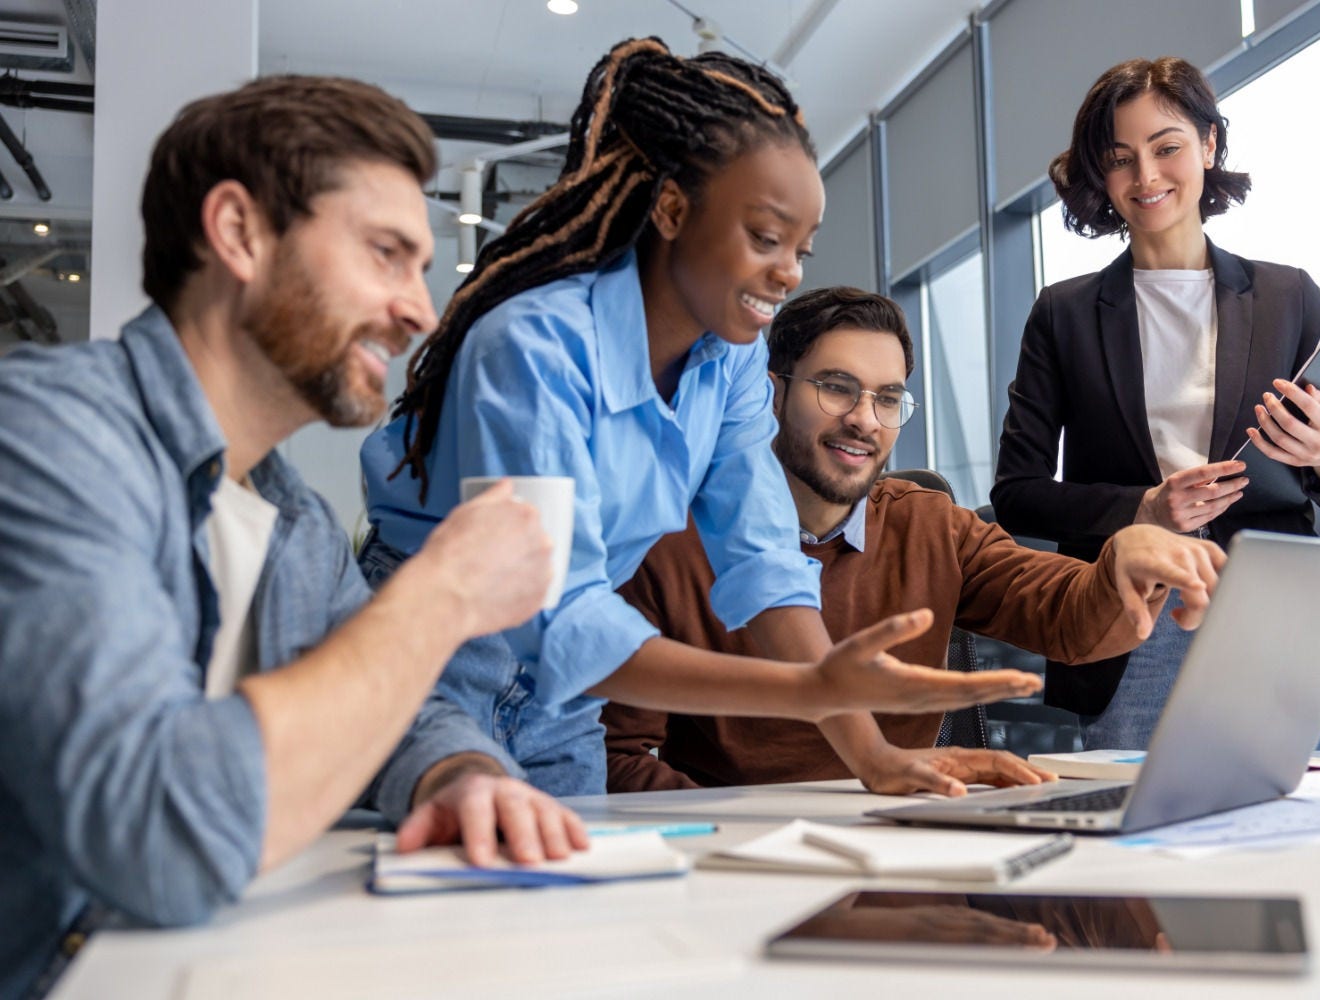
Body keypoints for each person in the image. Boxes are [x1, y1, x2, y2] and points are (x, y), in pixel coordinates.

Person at [0, 76, 602, 1000]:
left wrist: (463, 773)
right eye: (387, 255)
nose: (422, 312)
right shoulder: (50, 436)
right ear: (239, 232)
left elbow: (401, 709)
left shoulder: (295, 521)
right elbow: (160, 841)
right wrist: (439, 593)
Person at [359, 38, 1035, 800]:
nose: (790, 272)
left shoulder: (733, 360)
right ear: (674, 209)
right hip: (435, 657)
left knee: (575, 901)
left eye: (802, 248)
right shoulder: (533, 347)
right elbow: (555, 613)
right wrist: (807, 691)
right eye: (765, 237)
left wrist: (868, 752)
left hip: (565, 689)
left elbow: (764, 562)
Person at [604, 286, 1225, 792]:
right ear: (771, 391)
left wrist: (1123, 554)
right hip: (747, 871)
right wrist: (745, 838)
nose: (864, 419)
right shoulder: (669, 541)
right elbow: (617, 758)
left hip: (905, 843)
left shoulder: (931, 525)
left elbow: (1064, 613)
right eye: (836, 387)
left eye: (888, 398)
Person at [991, 57, 1320, 751]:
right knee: (1143, 845)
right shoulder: (1064, 314)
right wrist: (1144, 509)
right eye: (1119, 159)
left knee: (1308, 841)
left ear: (1207, 145)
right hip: (1132, 618)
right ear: (1100, 178)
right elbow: (1017, 494)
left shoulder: (1286, 297)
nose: (1145, 177)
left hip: (1281, 615)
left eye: (1166, 147)